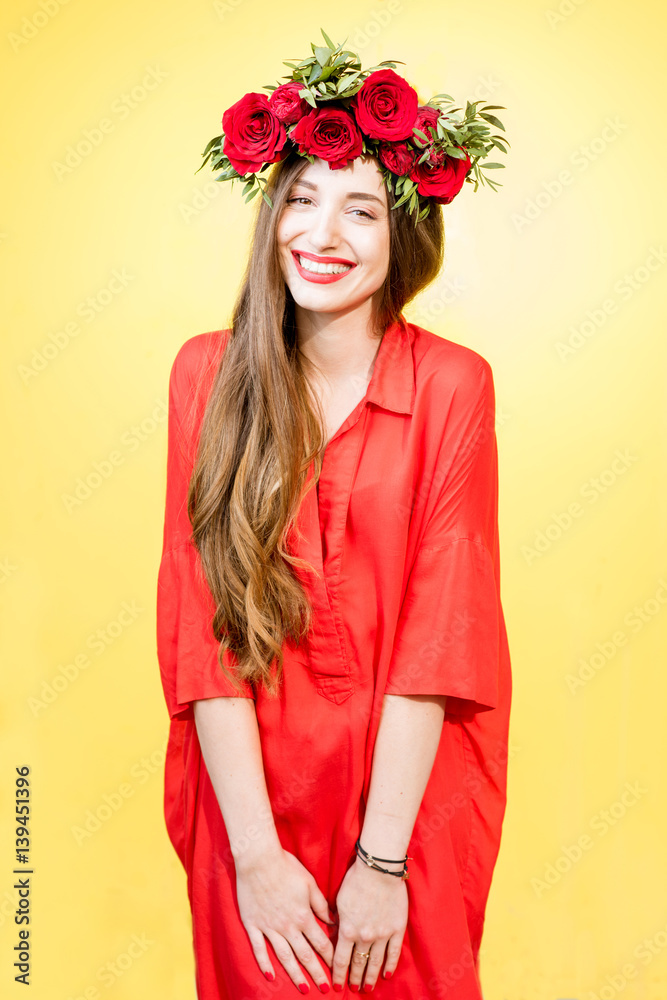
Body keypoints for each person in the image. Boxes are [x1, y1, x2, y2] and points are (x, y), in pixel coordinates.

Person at [157, 34, 511, 999]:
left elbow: (445, 631)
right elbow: (201, 624)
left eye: (360, 210)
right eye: (301, 200)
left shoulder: (451, 386)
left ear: (404, 239)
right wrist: (256, 855)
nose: (322, 234)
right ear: (270, 216)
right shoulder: (206, 374)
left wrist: (383, 862)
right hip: (246, 793)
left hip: (412, 794)